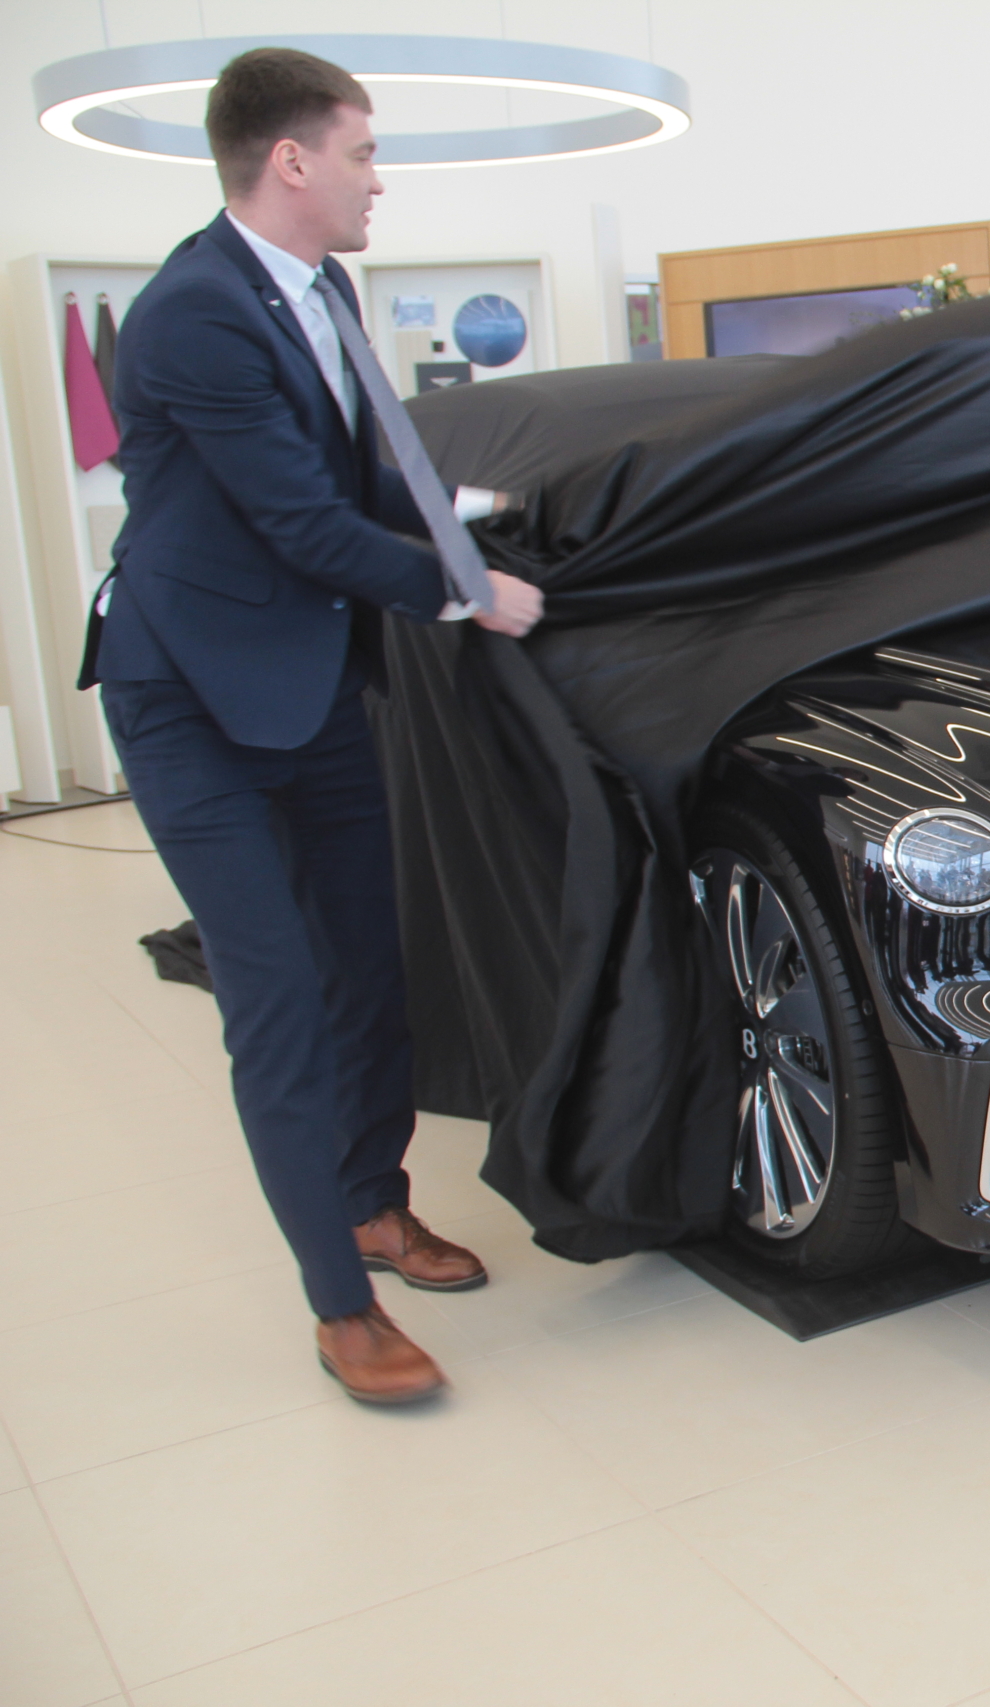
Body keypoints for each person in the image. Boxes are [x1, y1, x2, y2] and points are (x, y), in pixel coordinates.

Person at [80, 48, 547, 1404]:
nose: (376, 179)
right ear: (291, 161)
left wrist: (475, 509)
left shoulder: (323, 288)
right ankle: (342, 1306)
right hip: (190, 695)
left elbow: (350, 472)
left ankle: (372, 1202)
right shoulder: (193, 312)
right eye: (362, 152)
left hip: (311, 681)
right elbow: (297, 521)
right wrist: (469, 592)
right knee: (279, 995)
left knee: (368, 961)